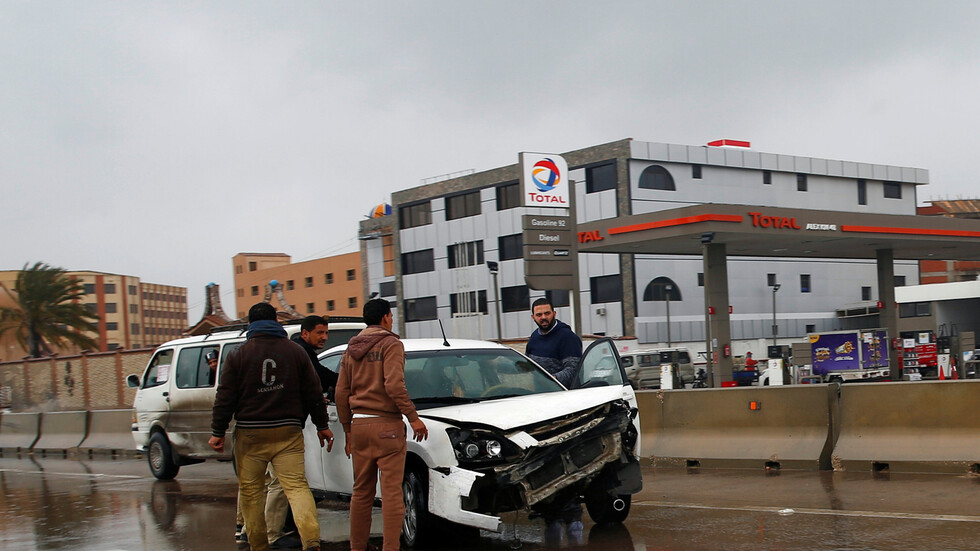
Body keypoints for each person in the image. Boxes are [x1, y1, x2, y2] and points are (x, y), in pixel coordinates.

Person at [209, 302, 334, 551]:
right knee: (297, 487)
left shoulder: (238, 355)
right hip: (288, 432)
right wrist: (322, 425)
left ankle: (257, 544)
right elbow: (313, 391)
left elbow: (225, 396)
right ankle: (311, 542)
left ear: (250, 325)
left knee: (252, 492)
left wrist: (217, 431)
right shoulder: (295, 352)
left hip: (250, 434)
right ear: (276, 321)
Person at [335, 298, 428, 551]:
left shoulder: (349, 349)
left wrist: (347, 429)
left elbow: (340, 393)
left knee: (361, 493)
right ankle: (390, 547)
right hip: (387, 426)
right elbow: (394, 386)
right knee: (391, 494)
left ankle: (357, 547)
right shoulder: (391, 344)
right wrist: (413, 417)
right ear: (387, 317)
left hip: (360, 426)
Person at [525, 297, 584, 544]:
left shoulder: (567, 337)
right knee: (543, 466)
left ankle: (573, 519)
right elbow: (528, 372)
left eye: (546, 313)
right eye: (539, 315)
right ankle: (550, 516)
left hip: (564, 411)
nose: (543, 318)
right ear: (533, 317)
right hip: (539, 412)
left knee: (566, 464)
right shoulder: (533, 340)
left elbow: (571, 371)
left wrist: (546, 386)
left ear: (554, 312)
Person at [291, 315, 337, 399]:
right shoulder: (302, 351)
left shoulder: (298, 348)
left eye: (326, 333)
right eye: (320, 333)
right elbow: (319, 375)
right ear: (305, 333)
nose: (325, 338)